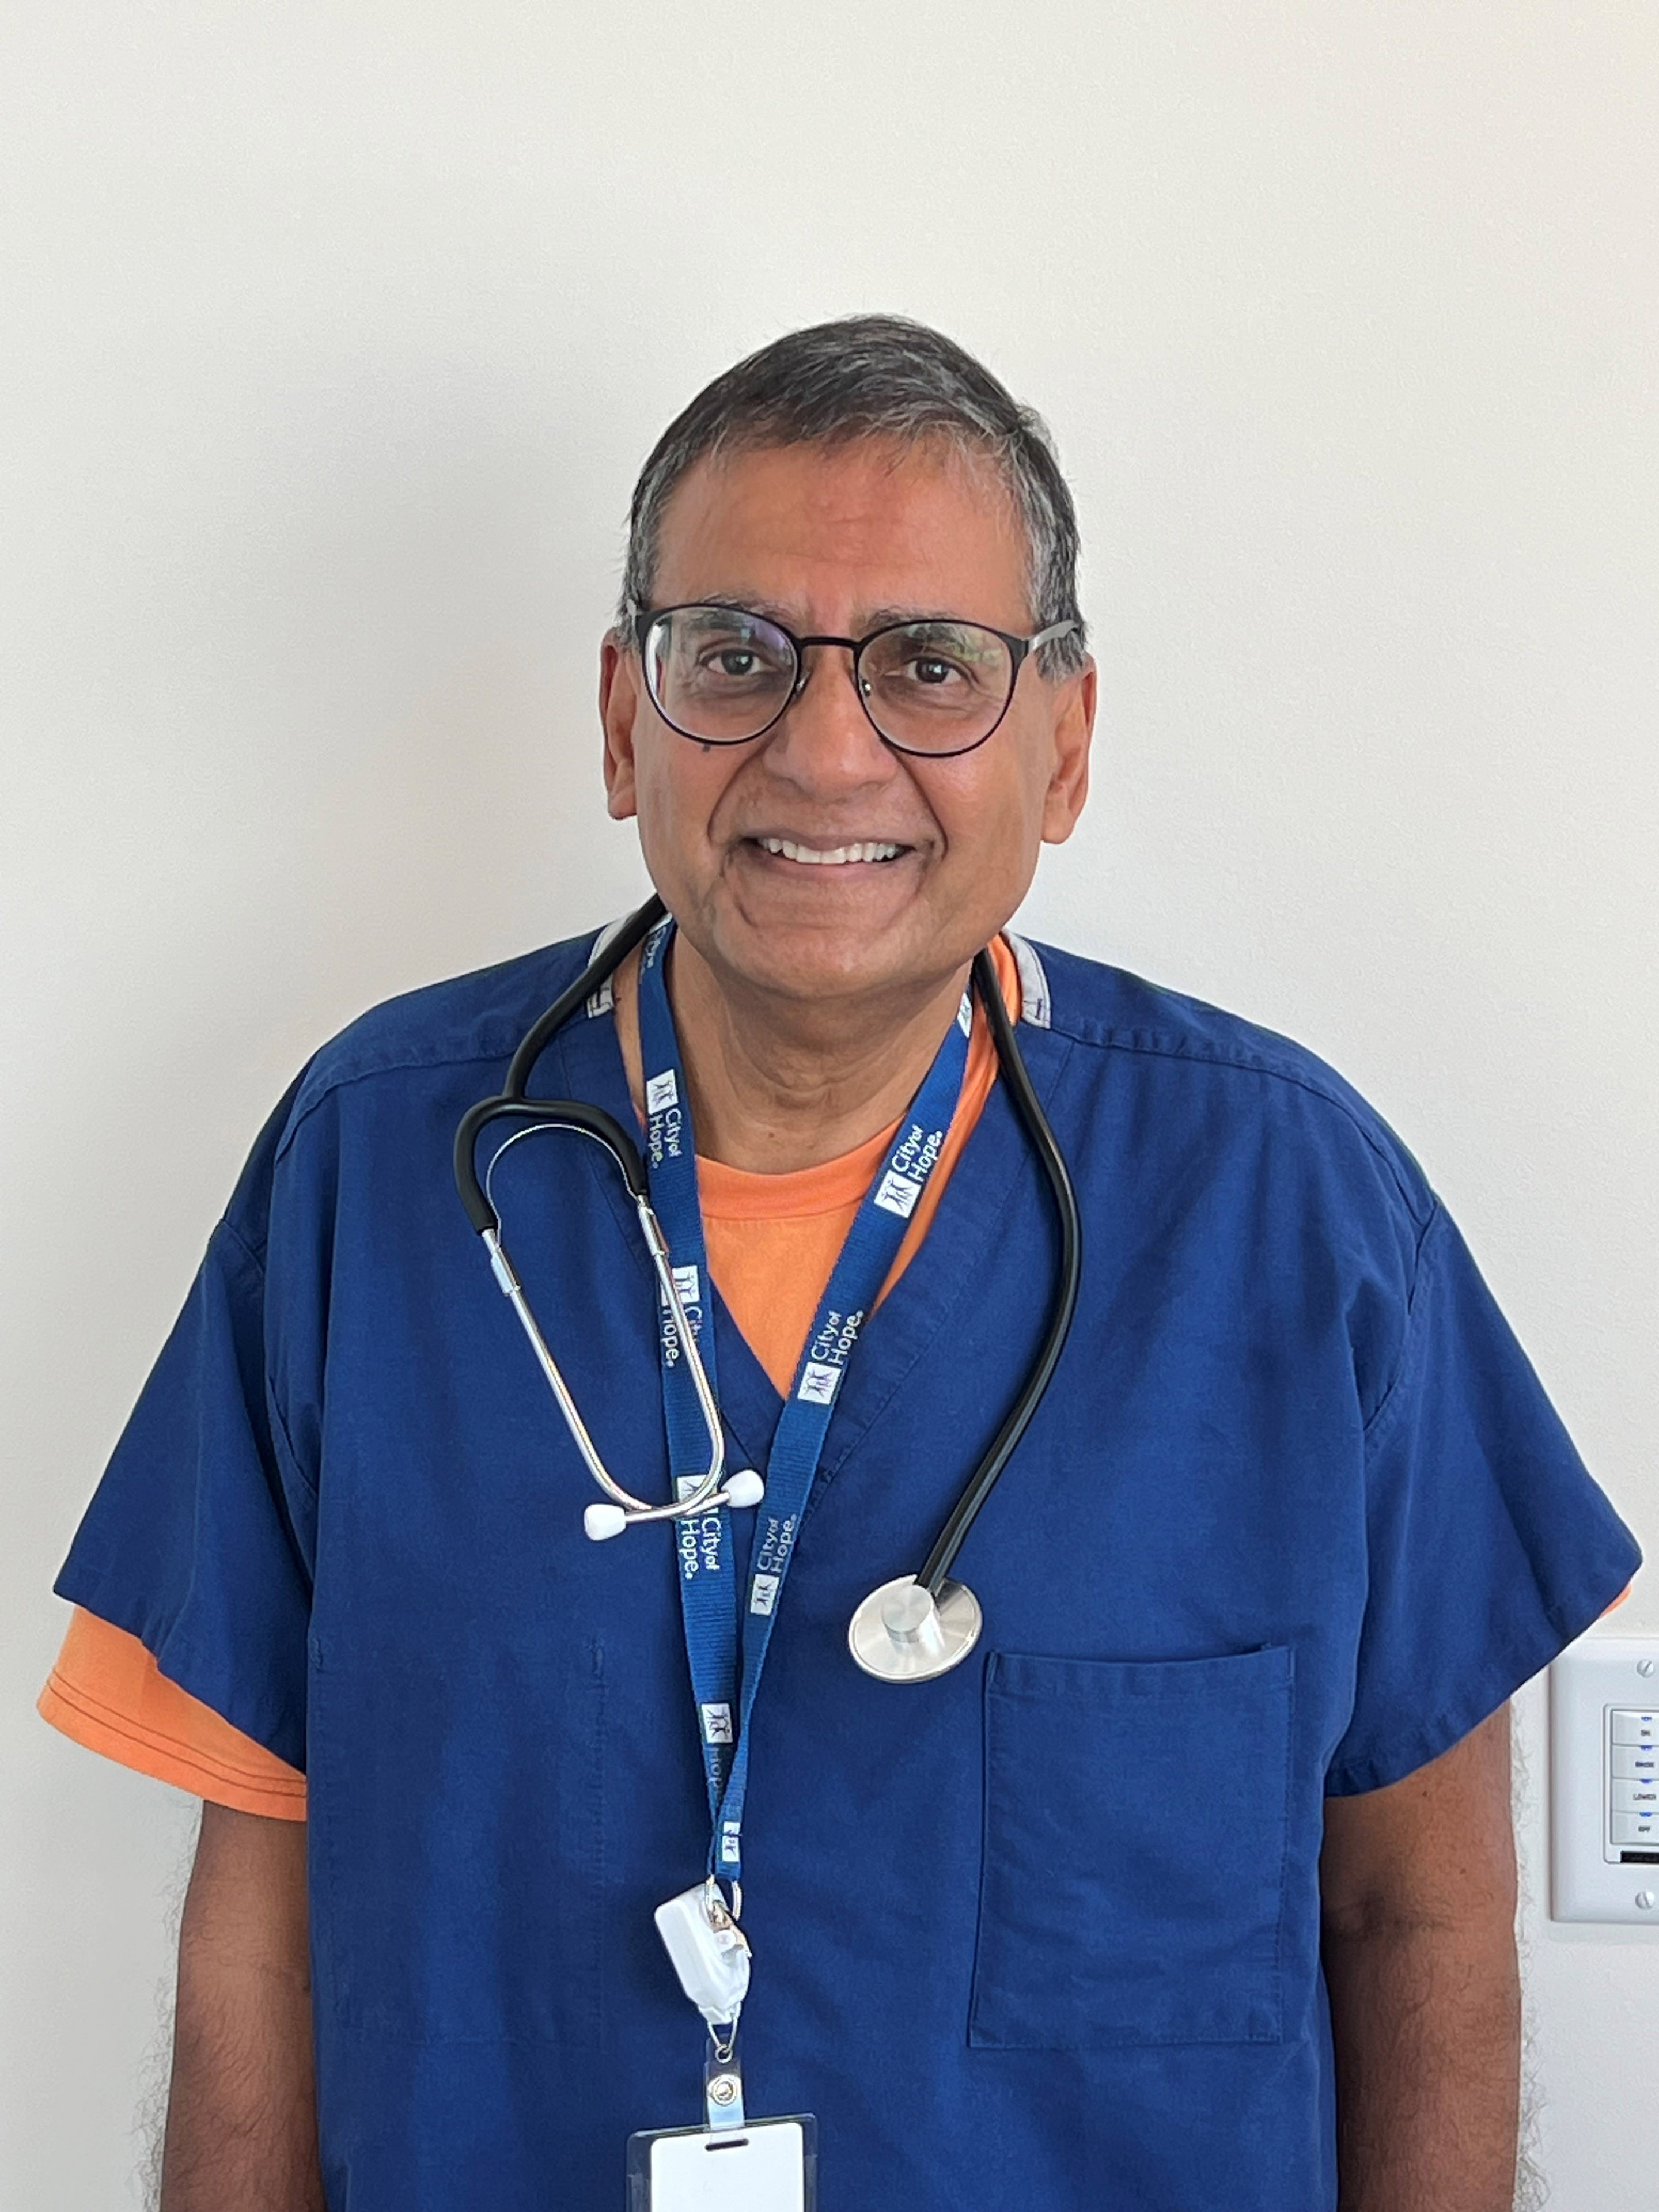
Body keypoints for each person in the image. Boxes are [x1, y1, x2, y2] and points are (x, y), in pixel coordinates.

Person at [41, 314, 1639, 2212]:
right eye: (735, 658)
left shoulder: (1296, 1215)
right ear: (625, 717)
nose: (825, 746)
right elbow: (263, 1927)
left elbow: (1419, 1925)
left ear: (1064, 743)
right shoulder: (369, 1176)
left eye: (930, 667)